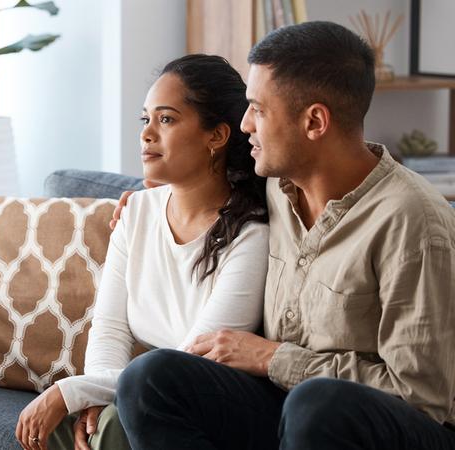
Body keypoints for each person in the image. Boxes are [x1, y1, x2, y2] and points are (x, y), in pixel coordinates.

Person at [114, 21, 455, 449]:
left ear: (314, 121)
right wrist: (146, 199)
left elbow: (421, 398)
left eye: (258, 109)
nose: (244, 125)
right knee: (152, 377)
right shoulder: (275, 185)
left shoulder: (414, 221)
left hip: (382, 427)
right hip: (283, 407)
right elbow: (208, 175)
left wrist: (275, 358)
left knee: (315, 405)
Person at [15, 54, 270, 450]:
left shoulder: (251, 233)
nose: (147, 133)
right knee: (75, 425)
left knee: (117, 422)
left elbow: (192, 362)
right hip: (139, 391)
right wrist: (92, 398)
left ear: (216, 136)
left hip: (203, 402)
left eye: (166, 119)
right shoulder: (135, 211)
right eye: (145, 119)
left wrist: (73, 390)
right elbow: (111, 327)